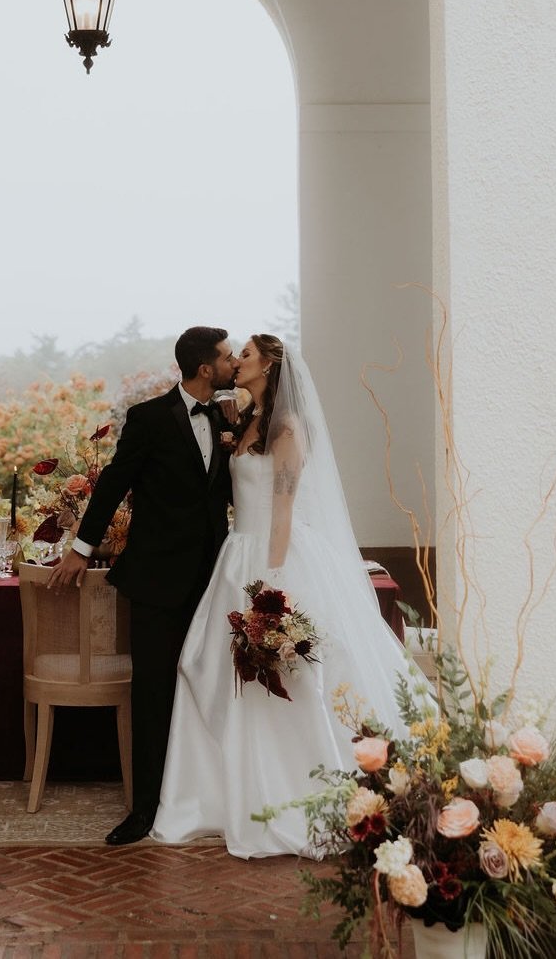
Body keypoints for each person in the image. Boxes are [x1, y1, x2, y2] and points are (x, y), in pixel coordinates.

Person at [151, 334, 433, 858]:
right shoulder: (246, 420)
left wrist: (270, 589)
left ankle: (296, 793)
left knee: (284, 680)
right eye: (235, 356)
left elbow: (281, 511)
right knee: (205, 664)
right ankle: (215, 797)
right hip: (237, 554)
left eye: (247, 356)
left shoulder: (286, 428)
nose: (237, 362)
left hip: (271, 557)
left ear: (270, 364)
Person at [47, 325, 239, 846]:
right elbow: (113, 483)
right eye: (226, 357)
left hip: (216, 580)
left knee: (216, 689)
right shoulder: (149, 418)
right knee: (153, 695)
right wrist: (81, 549)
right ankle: (144, 810)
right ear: (204, 367)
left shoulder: (228, 418)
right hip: (157, 581)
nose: (232, 363)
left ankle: (218, 797)